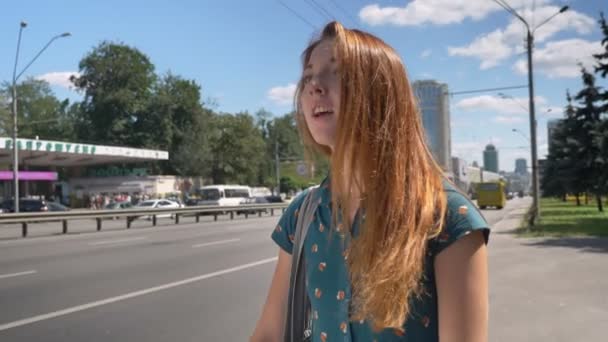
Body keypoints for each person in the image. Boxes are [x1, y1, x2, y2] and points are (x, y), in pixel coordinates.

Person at [251, 21, 489, 342]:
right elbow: (268, 334)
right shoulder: (303, 215)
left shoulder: (446, 218)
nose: (314, 86)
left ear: (381, 95)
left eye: (337, 72)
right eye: (308, 75)